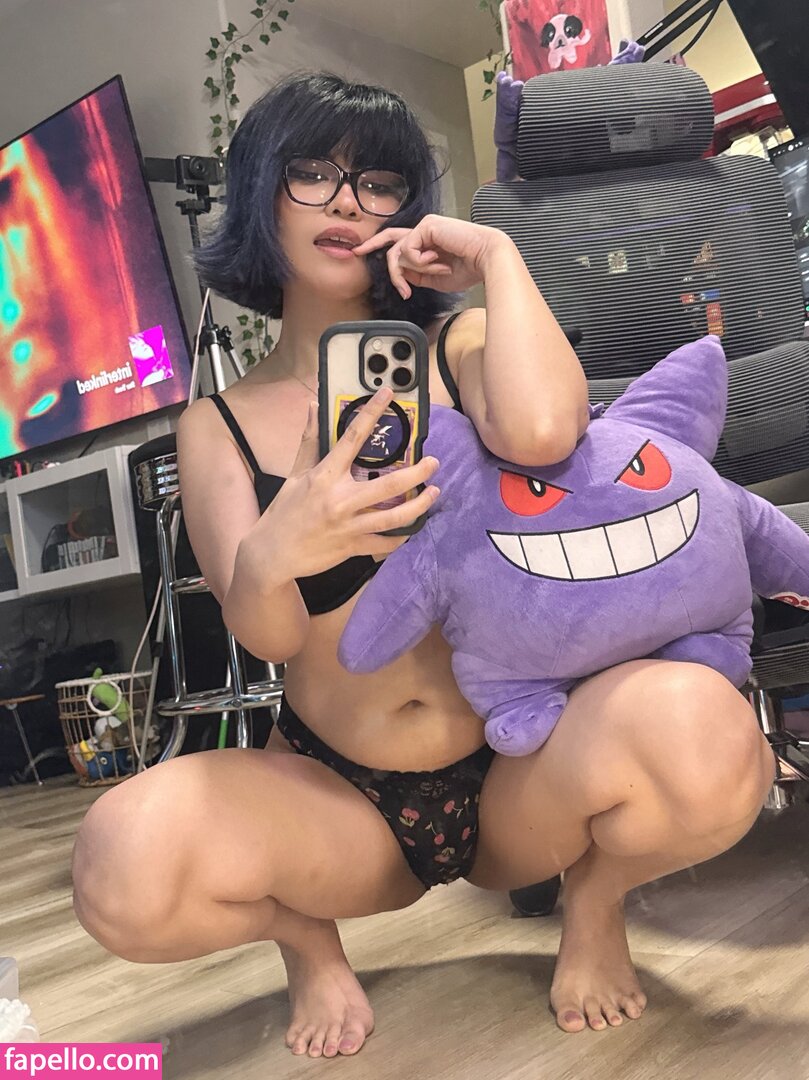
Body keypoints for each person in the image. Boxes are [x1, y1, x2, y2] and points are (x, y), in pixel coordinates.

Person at [71, 71, 776, 1059]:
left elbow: (545, 430)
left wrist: (494, 257)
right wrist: (278, 550)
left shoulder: (460, 345)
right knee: (123, 868)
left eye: (377, 182)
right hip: (339, 800)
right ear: (263, 191)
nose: (346, 203)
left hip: (521, 770)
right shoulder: (215, 423)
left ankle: (594, 901)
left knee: (709, 739)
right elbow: (266, 634)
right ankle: (307, 943)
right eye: (311, 174)